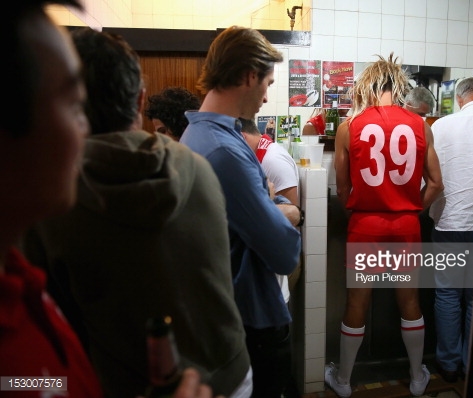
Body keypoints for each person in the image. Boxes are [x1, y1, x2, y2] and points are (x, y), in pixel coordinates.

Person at [0, 1, 222, 398]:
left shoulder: (19, 281)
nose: (85, 129)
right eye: (72, 104)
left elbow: (49, 383)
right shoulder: (199, 166)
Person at [179, 26, 302, 398]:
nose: (266, 96)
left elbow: (259, 207)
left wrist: (268, 202)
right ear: (249, 76)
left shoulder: (202, 135)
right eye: (267, 82)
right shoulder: (225, 151)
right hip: (252, 318)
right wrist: (284, 209)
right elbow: (284, 252)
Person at [327, 53, 444, 397]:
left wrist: (360, 214)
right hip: (406, 227)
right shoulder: (422, 125)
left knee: (356, 303)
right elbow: (436, 184)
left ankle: (345, 381)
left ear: (367, 86)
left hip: (365, 225)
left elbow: (343, 187)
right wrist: (410, 211)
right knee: (409, 301)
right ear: (400, 86)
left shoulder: (349, 127)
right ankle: (417, 377)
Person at [428, 77, 473, 383]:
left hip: (449, 223)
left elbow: (428, 176)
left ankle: (448, 364)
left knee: (448, 295)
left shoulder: (440, 126)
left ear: (461, 98)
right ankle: (471, 364)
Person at [239, 117, 303, 398]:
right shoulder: (251, 156)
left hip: (281, 258)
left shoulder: (273, 158)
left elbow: (293, 214)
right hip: (263, 258)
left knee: (278, 326)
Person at [404, 86, 438, 243]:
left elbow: (435, 183)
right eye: (420, 114)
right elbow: (436, 183)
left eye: (425, 115)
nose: (422, 119)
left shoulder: (423, 129)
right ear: (408, 103)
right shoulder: (421, 130)